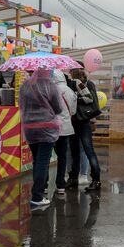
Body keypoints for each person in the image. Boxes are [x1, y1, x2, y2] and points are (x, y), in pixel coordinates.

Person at [19, 70, 62, 209]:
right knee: (43, 161)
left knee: (37, 160)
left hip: (29, 128)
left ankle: (38, 191)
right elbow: (58, 108)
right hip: (46, 128)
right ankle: (37, 196)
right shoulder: (51, 85)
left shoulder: (25, 85)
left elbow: (20, 104)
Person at [66, 68, 102, 192]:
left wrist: (75, 99)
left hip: (84, 121)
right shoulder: (70, 84)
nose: (69, 73)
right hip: (74, 122)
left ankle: (96, 179)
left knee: (88, 151)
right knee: (74, 151)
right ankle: (73, 178)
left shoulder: (86, 83)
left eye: (70, 72)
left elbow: (91, 100)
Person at [50, 70, 77, 198]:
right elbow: (73, 110)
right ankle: (60, 185)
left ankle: (44, 186)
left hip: (51, 128)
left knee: (46, 156)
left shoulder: (49, 90)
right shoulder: (69, 91)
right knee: (62, 156)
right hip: (65, 128)